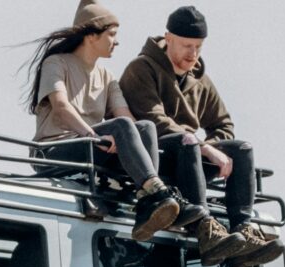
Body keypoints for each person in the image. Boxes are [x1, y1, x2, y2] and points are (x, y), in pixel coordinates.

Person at [121, 6, 285, 267]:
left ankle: (242, 232)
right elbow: (154, 121)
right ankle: (205, 227)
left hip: (192, 157)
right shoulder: (141, 69)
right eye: (187, 46)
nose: (193, 54)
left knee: (242, 149)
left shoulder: (200, 78)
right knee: (186, 141)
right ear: (168, 38)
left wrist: (211, 148)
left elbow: (224, 124)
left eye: (198, 46)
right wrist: (206, 148)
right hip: (158, 159)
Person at [27, 0, 189, 241]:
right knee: (123, 127)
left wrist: (125, 137)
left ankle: (147, 199)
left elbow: (126, 118)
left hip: (89, 149)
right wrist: (95, 137)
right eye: (111, 34)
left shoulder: (107, 76)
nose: (117, 41)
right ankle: (154, 190)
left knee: (144, 126)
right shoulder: (57, 63)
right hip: (54, 151)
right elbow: (61, 106)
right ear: (91, 36)